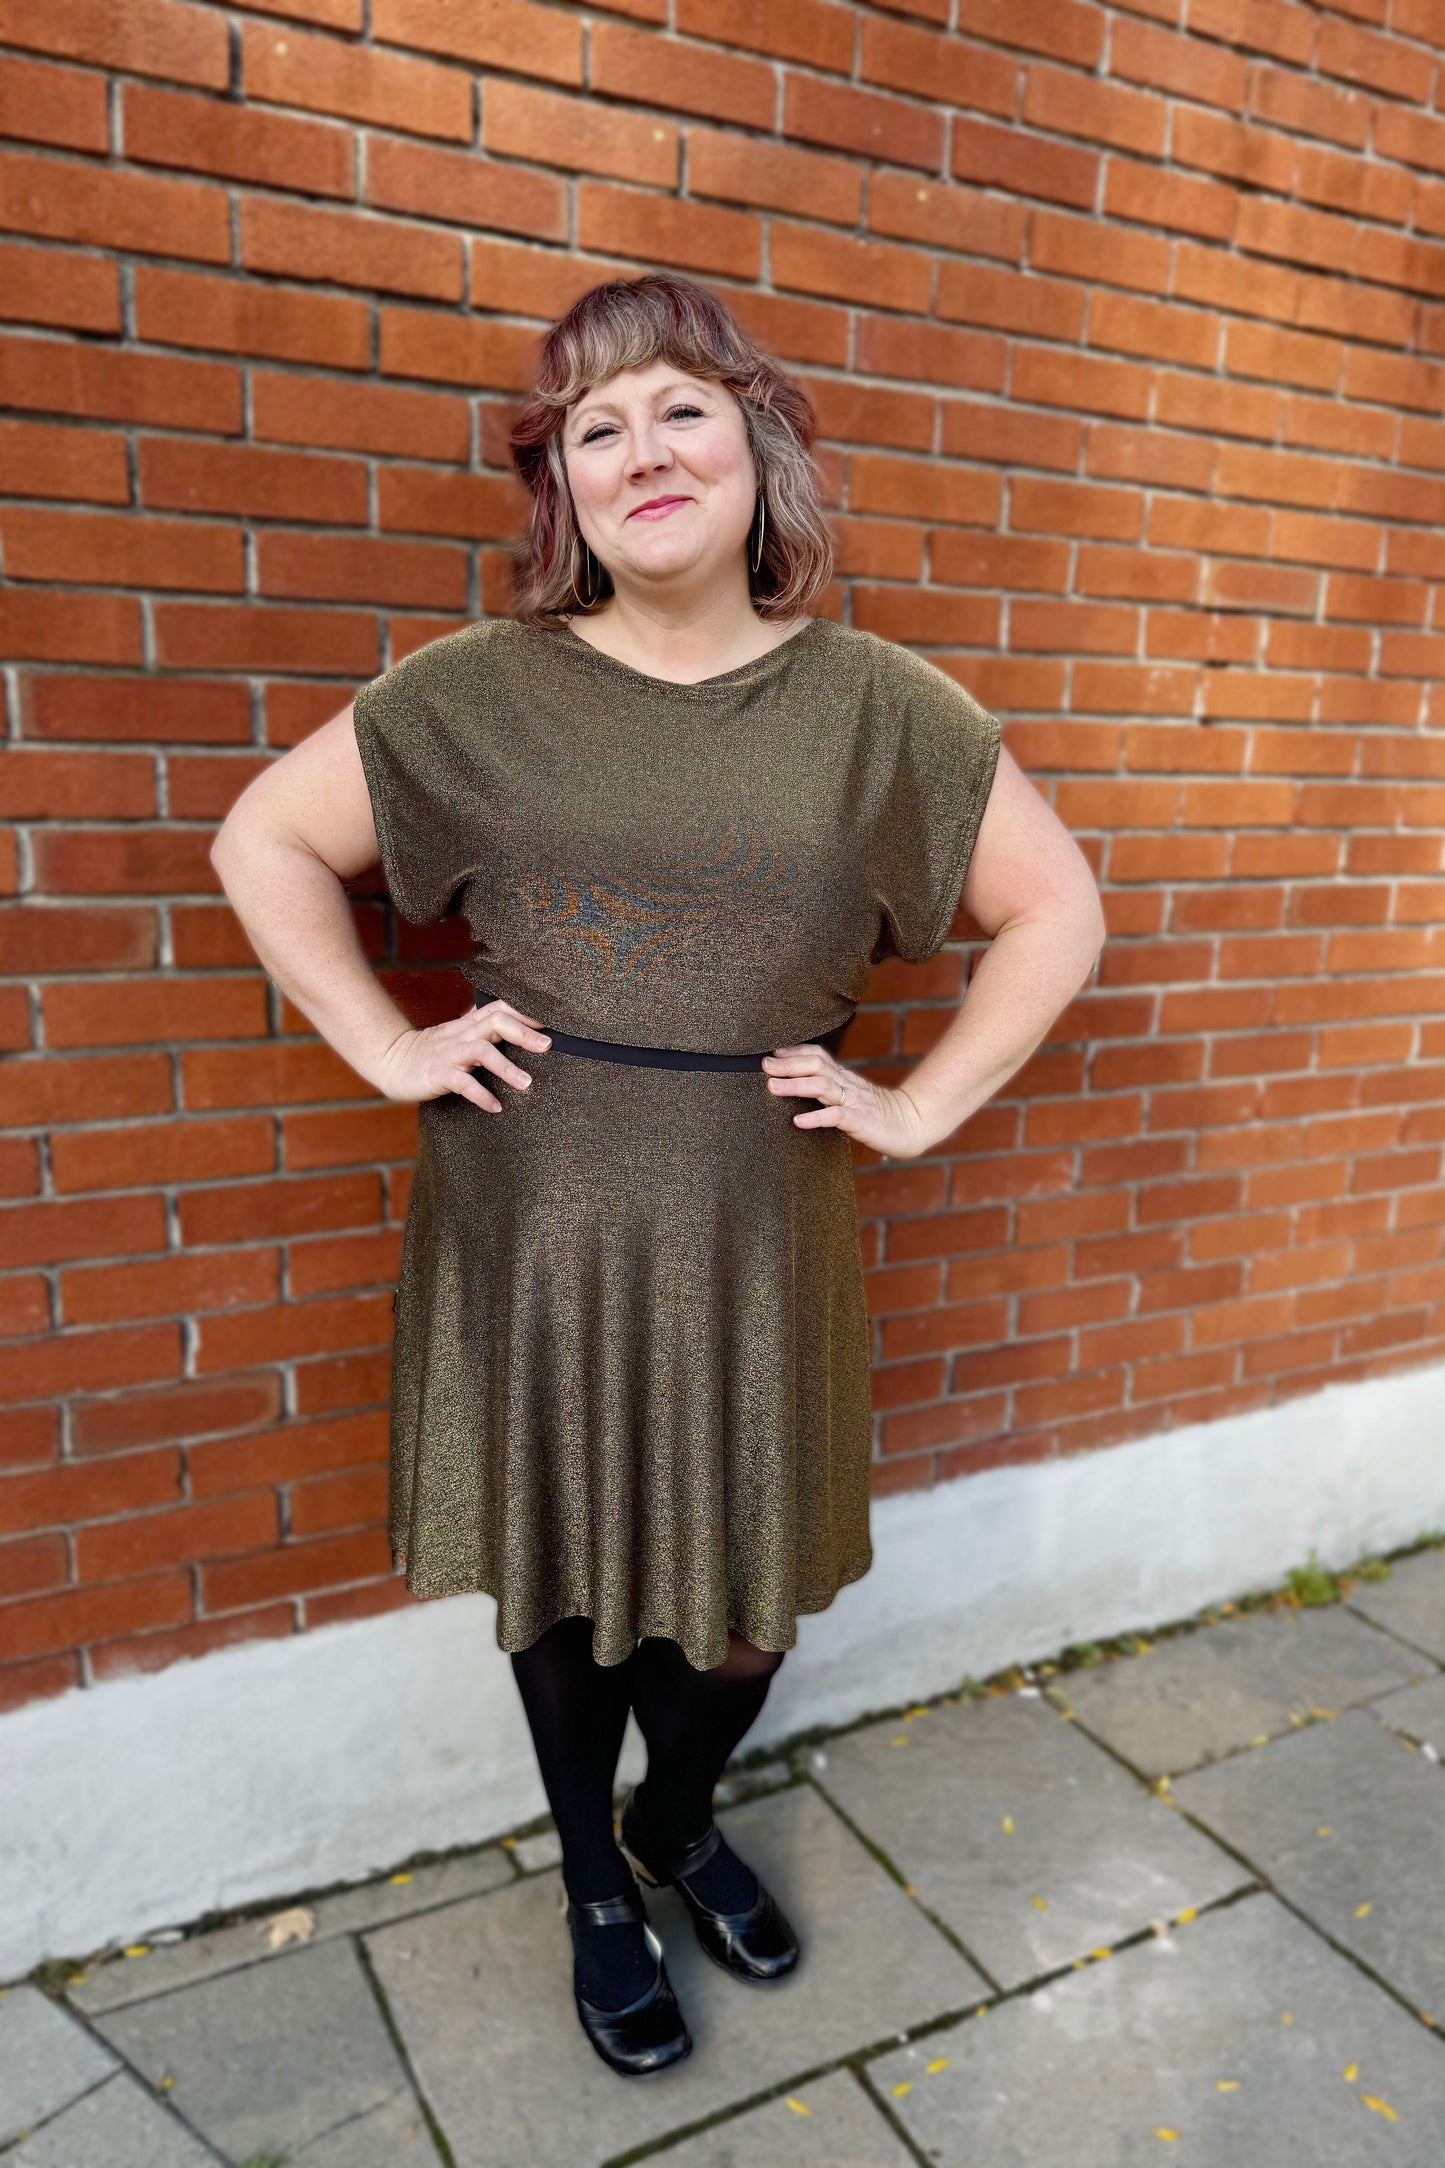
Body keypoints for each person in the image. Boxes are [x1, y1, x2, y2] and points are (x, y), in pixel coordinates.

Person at [211, 270, 1105, 2079]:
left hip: (759, 1216)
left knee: (737, 1614)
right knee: (557, 1575)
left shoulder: (883, 709)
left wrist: (918, 1107)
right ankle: (595, 1891)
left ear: (759, 448)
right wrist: (387, 1048)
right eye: (593, 429)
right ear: (568, 496)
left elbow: (1058, 911)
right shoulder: (470, 696)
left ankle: (675, 1821)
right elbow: (266, 842)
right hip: (530, 1208)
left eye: (678, 407)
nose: (641, 450)